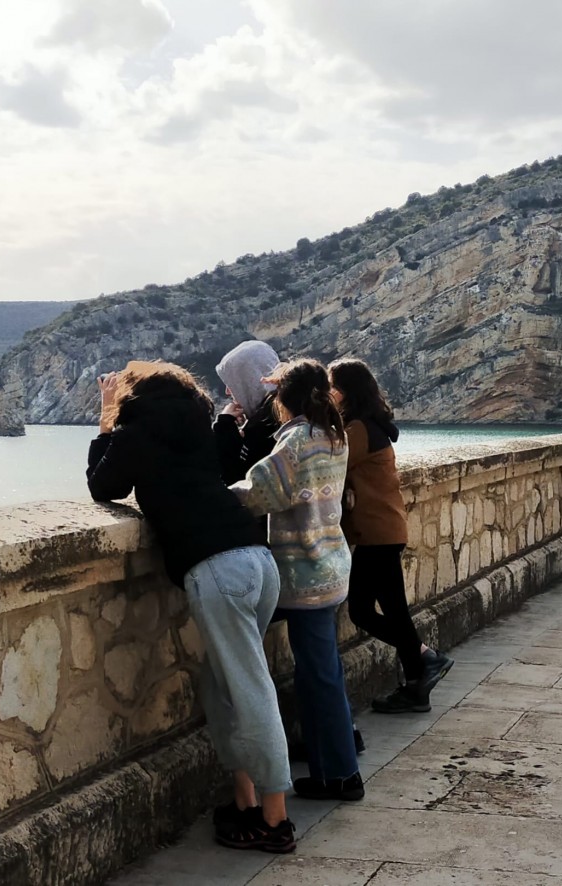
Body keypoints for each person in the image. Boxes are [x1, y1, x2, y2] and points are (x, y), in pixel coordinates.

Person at [86, 361, 296, 853]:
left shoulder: (137, 431)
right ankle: (244, 803)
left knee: (248, 691)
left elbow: (104, 485)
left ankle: (275, 820)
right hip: (257, 560)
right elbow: (226, 469)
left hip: (217, 567)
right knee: (221, 687)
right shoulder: (196, 424)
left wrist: (106, 417)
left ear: (132, 396)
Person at [216, 341, 366, 754]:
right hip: (331, 565)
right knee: (322, 668)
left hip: (304, 571)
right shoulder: (333, 433)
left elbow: (261, 490)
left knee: (318, 671)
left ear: (286, 397)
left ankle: (340, 770)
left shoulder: (295, 440)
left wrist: (214, 495)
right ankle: (333, 748)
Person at [327, 358, 454, 714]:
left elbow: (328, 464)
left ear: (346, 390)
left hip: (376, 533)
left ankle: (425, 657)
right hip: (385, 529)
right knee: (395, 611)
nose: (330, 393)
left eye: (333, 386)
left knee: (363, 611)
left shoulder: (358, 429)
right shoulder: (371, 424)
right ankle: (417, 688)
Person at [213, 340, 282, 484]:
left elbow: (236, 479)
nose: (227, 391)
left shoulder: (266, 426)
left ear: (250, 379)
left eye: (232, 384)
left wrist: (224, 427)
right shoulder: (280, 411)